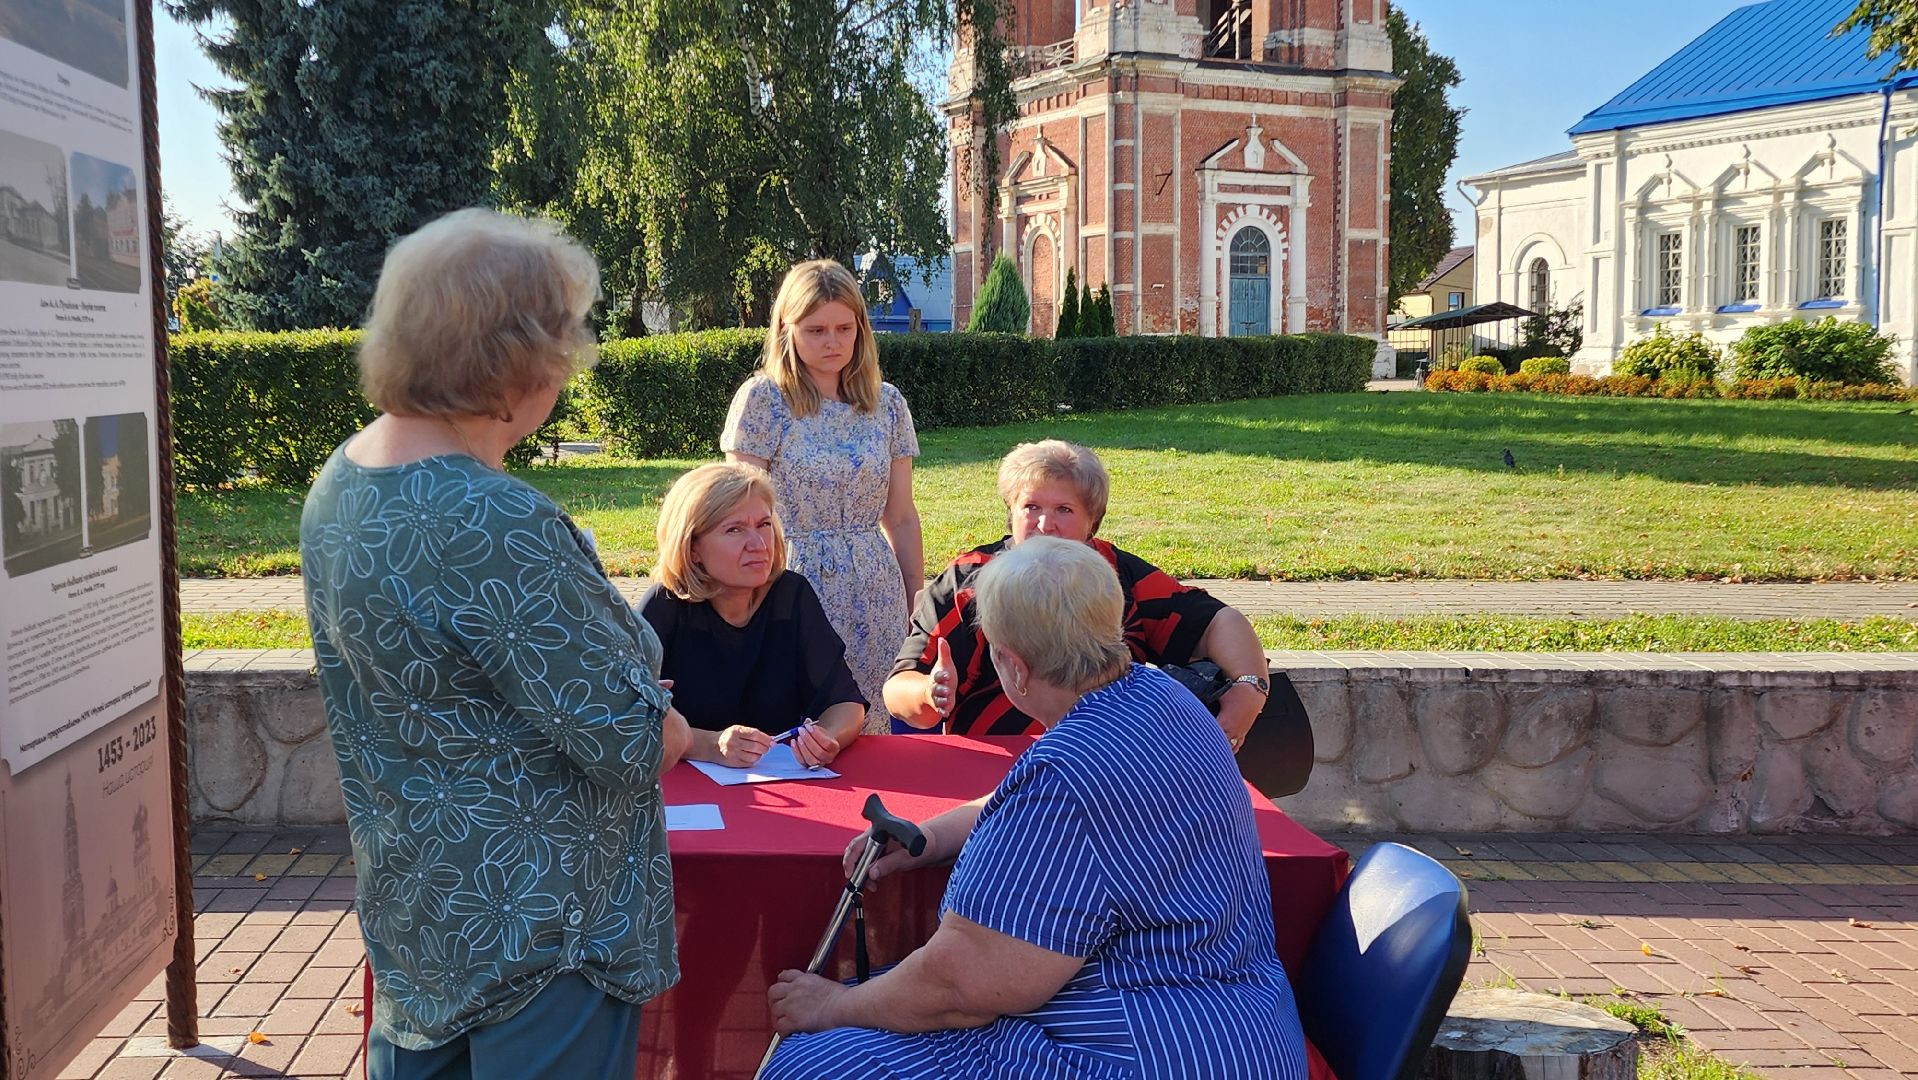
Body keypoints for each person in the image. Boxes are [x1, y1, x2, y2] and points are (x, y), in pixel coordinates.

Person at [300, 208, 692, 1080]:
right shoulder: (492, 520)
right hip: (538, 931)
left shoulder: (342, 478)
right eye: (564, 338)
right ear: (515, 358)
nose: (570, 361)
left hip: (420, 907)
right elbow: (628, 743)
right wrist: (668, 727)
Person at [765, 537, 1309, 1079]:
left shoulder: (1070, 776)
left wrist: (830, 1006)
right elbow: (1036, 802)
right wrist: (928, 838)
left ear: (1015, 668)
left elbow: (961, 986)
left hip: (1142, 1049)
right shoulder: (1164, 697)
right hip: (1239, 1025)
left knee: (810, 1059)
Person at [885, 439, 1271, 747]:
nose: (1044, 524)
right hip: (993, 769)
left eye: (1064, 510)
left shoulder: (1120, 575)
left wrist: (1249, 689)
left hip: (1104, 759)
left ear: (1093, 521)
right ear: (1011, 513)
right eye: (1030, 507)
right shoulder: (969, 579)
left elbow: (1219, 621)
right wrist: (929, 695)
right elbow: (898, 689)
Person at [722, 260, 922, 724]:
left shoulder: (887, 403)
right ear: (786, 329)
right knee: (794, 726)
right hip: (788, 578)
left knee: (872, 723)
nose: (832, 342)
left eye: (843, 328)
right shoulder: (763, 400)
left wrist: (917, 597)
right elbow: (734, 512)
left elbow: (902, 516)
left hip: (874, 585)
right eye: (815, 330)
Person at [639, 461, 866, 768]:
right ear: (692, 547)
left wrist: (827, 738)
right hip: (684, 794)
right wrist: (706, 744)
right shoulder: (664, 606)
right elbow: (626, 720)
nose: (758, 545)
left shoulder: (791, 595)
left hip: (786, 786)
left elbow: (845, 702)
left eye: (764, 525)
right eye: (734, 530)